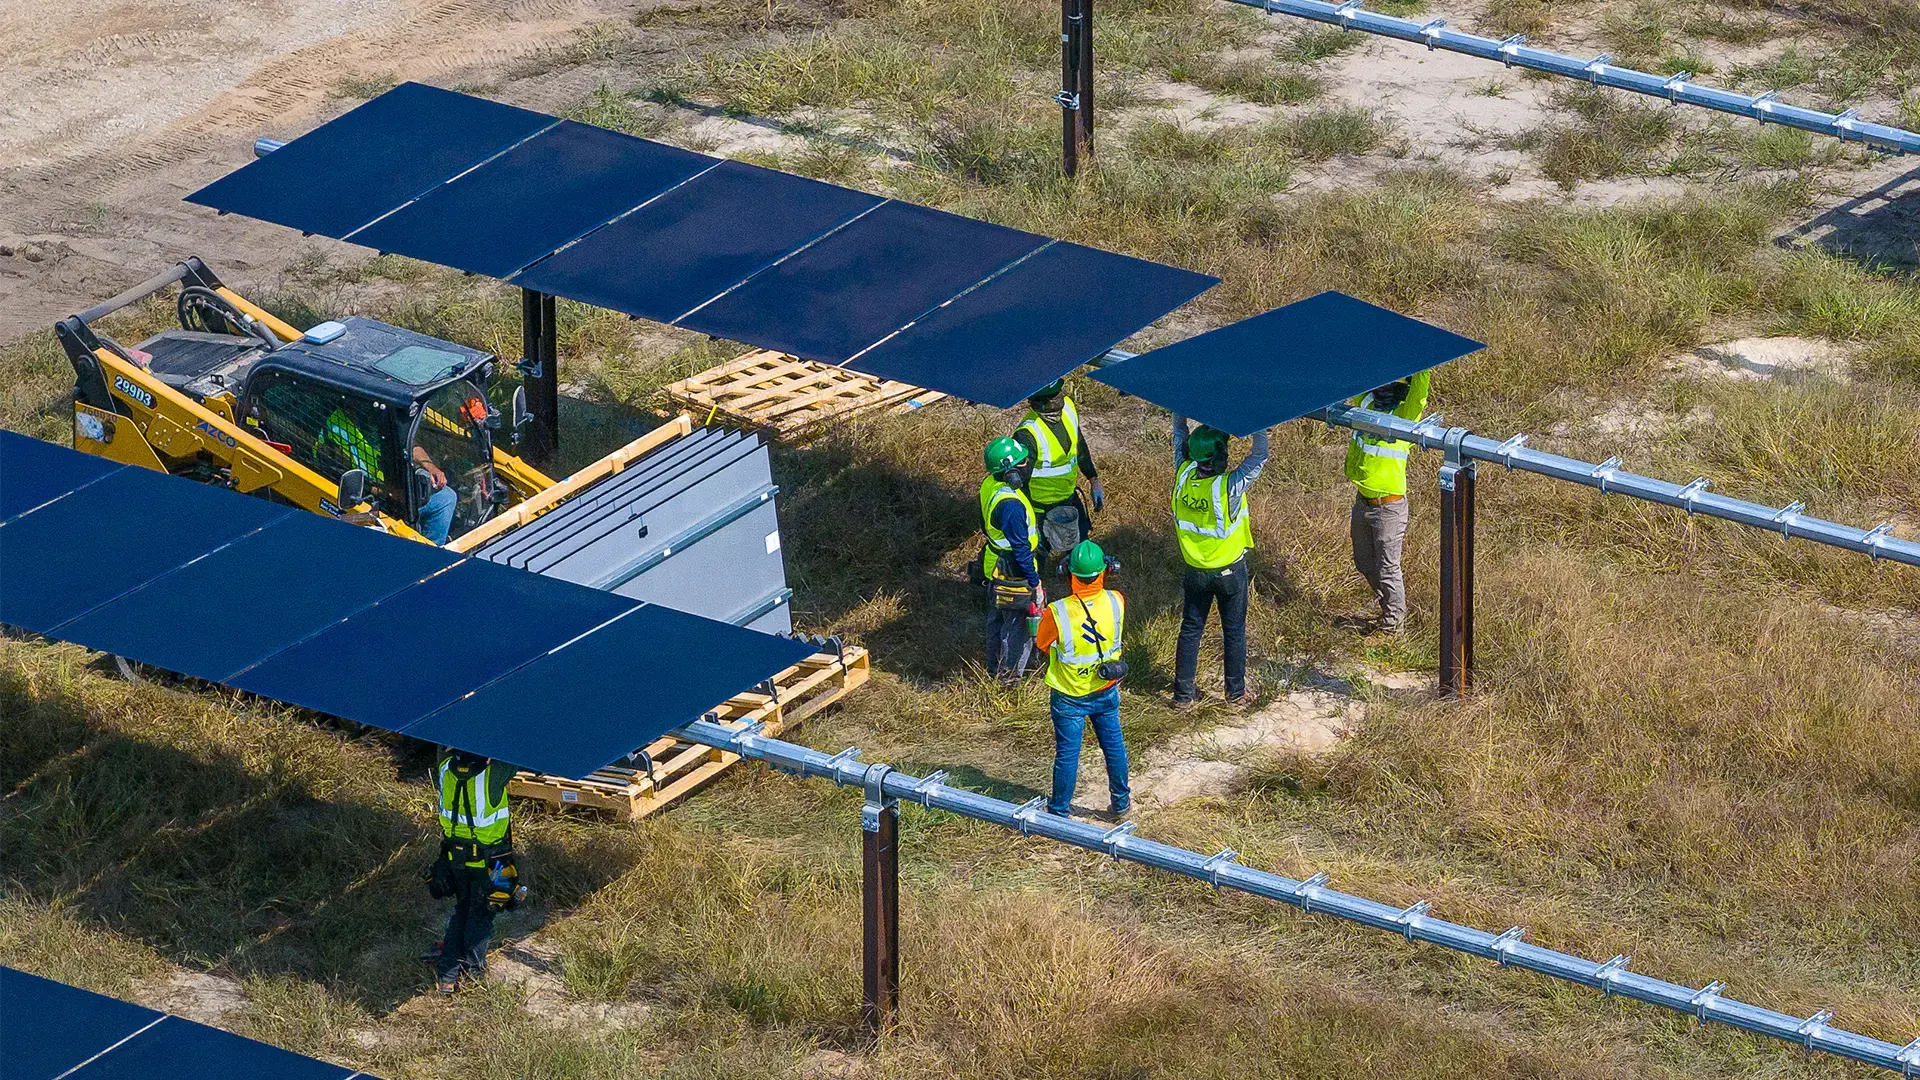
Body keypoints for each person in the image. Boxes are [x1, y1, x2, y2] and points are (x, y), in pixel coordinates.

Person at [1170, 416, 1270, 707]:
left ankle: (1182, 696)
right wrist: (1260, 420)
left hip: (1195, 571)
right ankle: (1236, 694)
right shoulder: (1229, 487)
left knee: (1190, 629)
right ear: (1219, 457)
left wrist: (1180, 409)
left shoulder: (1183, 474)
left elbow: (1179, 436)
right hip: (1229, 572)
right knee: (1234, 632)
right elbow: (1259, 455)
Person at [1035, 540, 1128, 817]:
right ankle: (1121, 804)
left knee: (1068, 754)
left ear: (1068, 574)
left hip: (1069, 696)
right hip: (1106, 688)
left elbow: (1041, 643)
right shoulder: (1116, 600)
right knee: (1114, 747)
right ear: (1106, 571)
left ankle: (1060, 810)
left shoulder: (1058, 611)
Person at [1345, 371, 1431, 635]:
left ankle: (1393, 627)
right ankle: (1392, 607)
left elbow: (1420, 393)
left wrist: (1423, 365)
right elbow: (1357, 381)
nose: (1383, 390)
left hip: (1388, 508)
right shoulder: (1366, 405)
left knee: (1387, 567)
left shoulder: (1406, 415)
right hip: (1364, 501)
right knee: (1364, 563)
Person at [428, 748, 516, 995]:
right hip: (489, 864)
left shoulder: (445, 767)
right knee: (481, 915)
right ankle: (475, 973)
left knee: (462, 912)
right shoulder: (491, 777)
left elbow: (441, 746)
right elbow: (514, 752)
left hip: (455, 860)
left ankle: (447, 976)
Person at [1013, 380, 1103, 569]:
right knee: (1037, 555)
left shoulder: (1069, 408)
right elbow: (1020, 480)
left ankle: (1079, 582)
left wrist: (1093, 479)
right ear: (1036, 403)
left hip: (1069, 498)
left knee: (1081, 547)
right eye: (1050, 401)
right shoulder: (1027, 434)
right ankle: (1035, 587)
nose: (1057, 404)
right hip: (1041, 508)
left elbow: (1079, 446)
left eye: (1058, 398)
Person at [979, 437, 1043, 681]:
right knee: (1015, 627)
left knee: (995, 620)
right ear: (1011, 473)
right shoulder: (1011, 506)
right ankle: (1008, 678)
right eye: (1023, 462)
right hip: (1012, 571)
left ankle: (993, 668)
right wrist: (1034, 580)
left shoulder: (990, 485)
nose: (1028, 465)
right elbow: (1020, 548)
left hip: (994, 564)